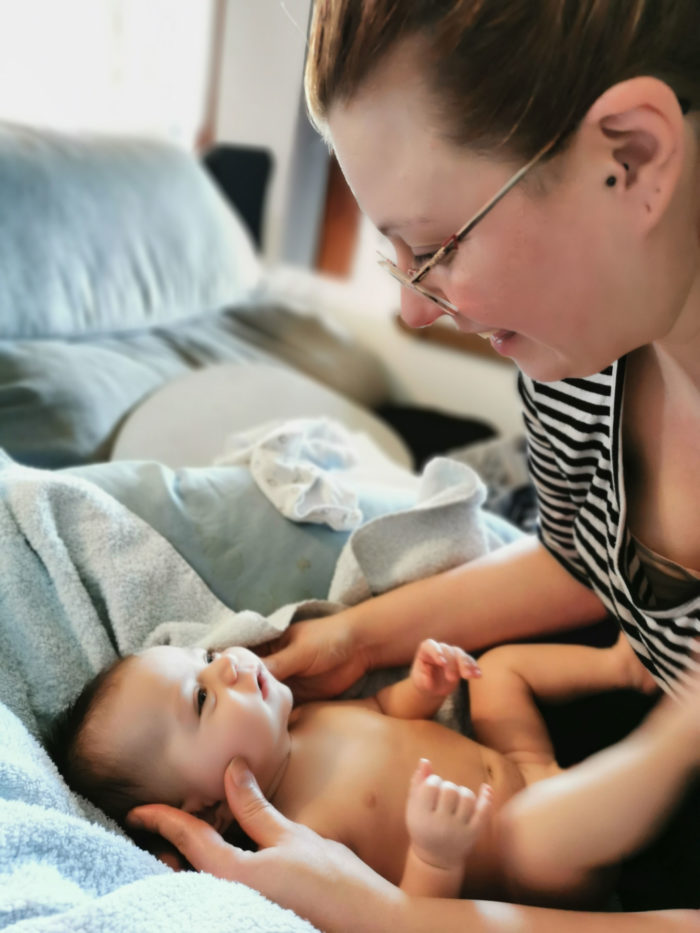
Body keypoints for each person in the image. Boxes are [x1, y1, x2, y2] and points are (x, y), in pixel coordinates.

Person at [53, 632, 688, 910]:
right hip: (530, 855)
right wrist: (438, 855)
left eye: (209, 656)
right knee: (541, 826)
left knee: (499, 671)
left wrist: (421, 686)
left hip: (524, 761)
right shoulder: (303, 834)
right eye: (201, 698)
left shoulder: (304, 720)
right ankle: (677, 738)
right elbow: (405, 913)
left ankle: (622, 665)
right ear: (206, 811)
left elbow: (386, 710)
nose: (231, 666)